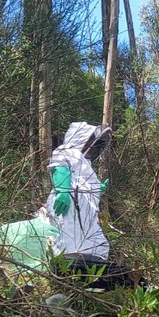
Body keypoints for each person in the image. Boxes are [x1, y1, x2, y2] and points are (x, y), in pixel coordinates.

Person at [46, 122, 137, 288]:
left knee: (98, 243)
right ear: (81, 138)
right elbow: (60, 169)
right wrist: (63, 190)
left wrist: (97, 188)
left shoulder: (85, 163)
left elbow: (83, 182)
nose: (93, 147)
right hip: (69, 206)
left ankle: (90, 274)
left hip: (86, 213)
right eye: (90, 142)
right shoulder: (66, 151)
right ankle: (67, 271)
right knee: (70, 238)